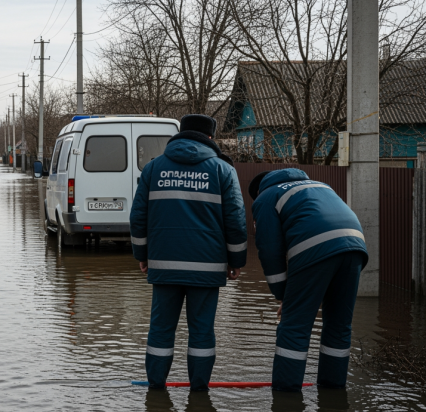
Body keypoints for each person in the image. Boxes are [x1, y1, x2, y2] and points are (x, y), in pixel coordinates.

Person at [130, 114, 247, 391]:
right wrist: (236, 261)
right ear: (210, 138)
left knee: (160, 330)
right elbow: (236, 220)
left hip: (164, 266)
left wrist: (142, 255)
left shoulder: (153, 168)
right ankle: (199, 394)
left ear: (180, 134)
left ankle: (156, 390)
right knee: (202, 332)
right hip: (207, 268)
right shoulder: (222, 170)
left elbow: (137, 217)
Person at [249, 169, 368, 392]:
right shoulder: (319, 185)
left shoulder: (266, 197)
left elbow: (269, 250)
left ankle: (286, 399)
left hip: (315, 247)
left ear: (258, 190)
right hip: (355, 247)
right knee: (338, 325)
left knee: (294, 326)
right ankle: (332, 391)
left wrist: (283, 295)